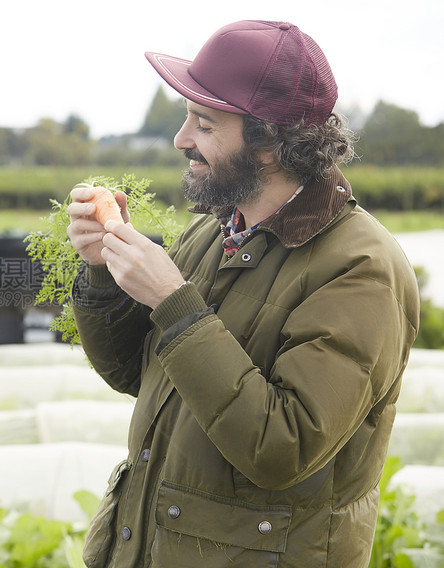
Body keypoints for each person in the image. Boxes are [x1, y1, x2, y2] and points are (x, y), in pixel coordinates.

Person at [67, 20, 419, 567]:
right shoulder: (214, 232)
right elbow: (137, 376)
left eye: (203, 123)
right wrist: (105, 273)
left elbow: (285, 447)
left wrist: (174, 303)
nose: (182, 139)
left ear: (269, 143)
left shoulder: (360, 266)